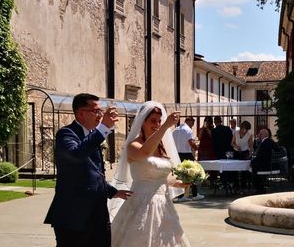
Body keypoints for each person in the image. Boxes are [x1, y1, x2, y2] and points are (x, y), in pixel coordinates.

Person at [45, 93, 131, 247]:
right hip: (74, 216)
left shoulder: (93, 136)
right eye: (96, 111)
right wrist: (103, 128)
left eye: (101, 112)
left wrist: (113, 192)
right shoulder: (66, 134)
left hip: (97, 214)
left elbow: (93, 172)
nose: (100, 116)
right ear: (81, 113)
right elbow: (77, 155)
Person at [109, 101, 191, 247]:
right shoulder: (133, 145)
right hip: (141, 203)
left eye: (159, 121)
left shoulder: (161, 148)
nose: (157, 124)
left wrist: (179, 182)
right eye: (153, 121)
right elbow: (144, 152)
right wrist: (166, 126)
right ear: (142, 122)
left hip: (164, 203)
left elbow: (161, 175)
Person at [172, 117, 203, 201]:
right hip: (186, 154)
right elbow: (191, 143)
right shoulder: (188, 130)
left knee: (180, 174)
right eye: (192, 123)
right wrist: (197, 148)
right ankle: (195, 194)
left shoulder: (175, 130)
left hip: (177, 154)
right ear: (189, 121)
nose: (192, 125)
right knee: (194, 173)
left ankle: (180, 195)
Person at [251, 127, 278, 193]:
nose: (259, 135)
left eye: (260, 134)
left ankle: (259, 189)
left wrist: (251, 160)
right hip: (272, 165)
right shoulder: (271, 142)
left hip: (266, 166)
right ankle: (260, 187)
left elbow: (260, 157)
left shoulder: (264, 143)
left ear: (264, 135)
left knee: (253, 167)